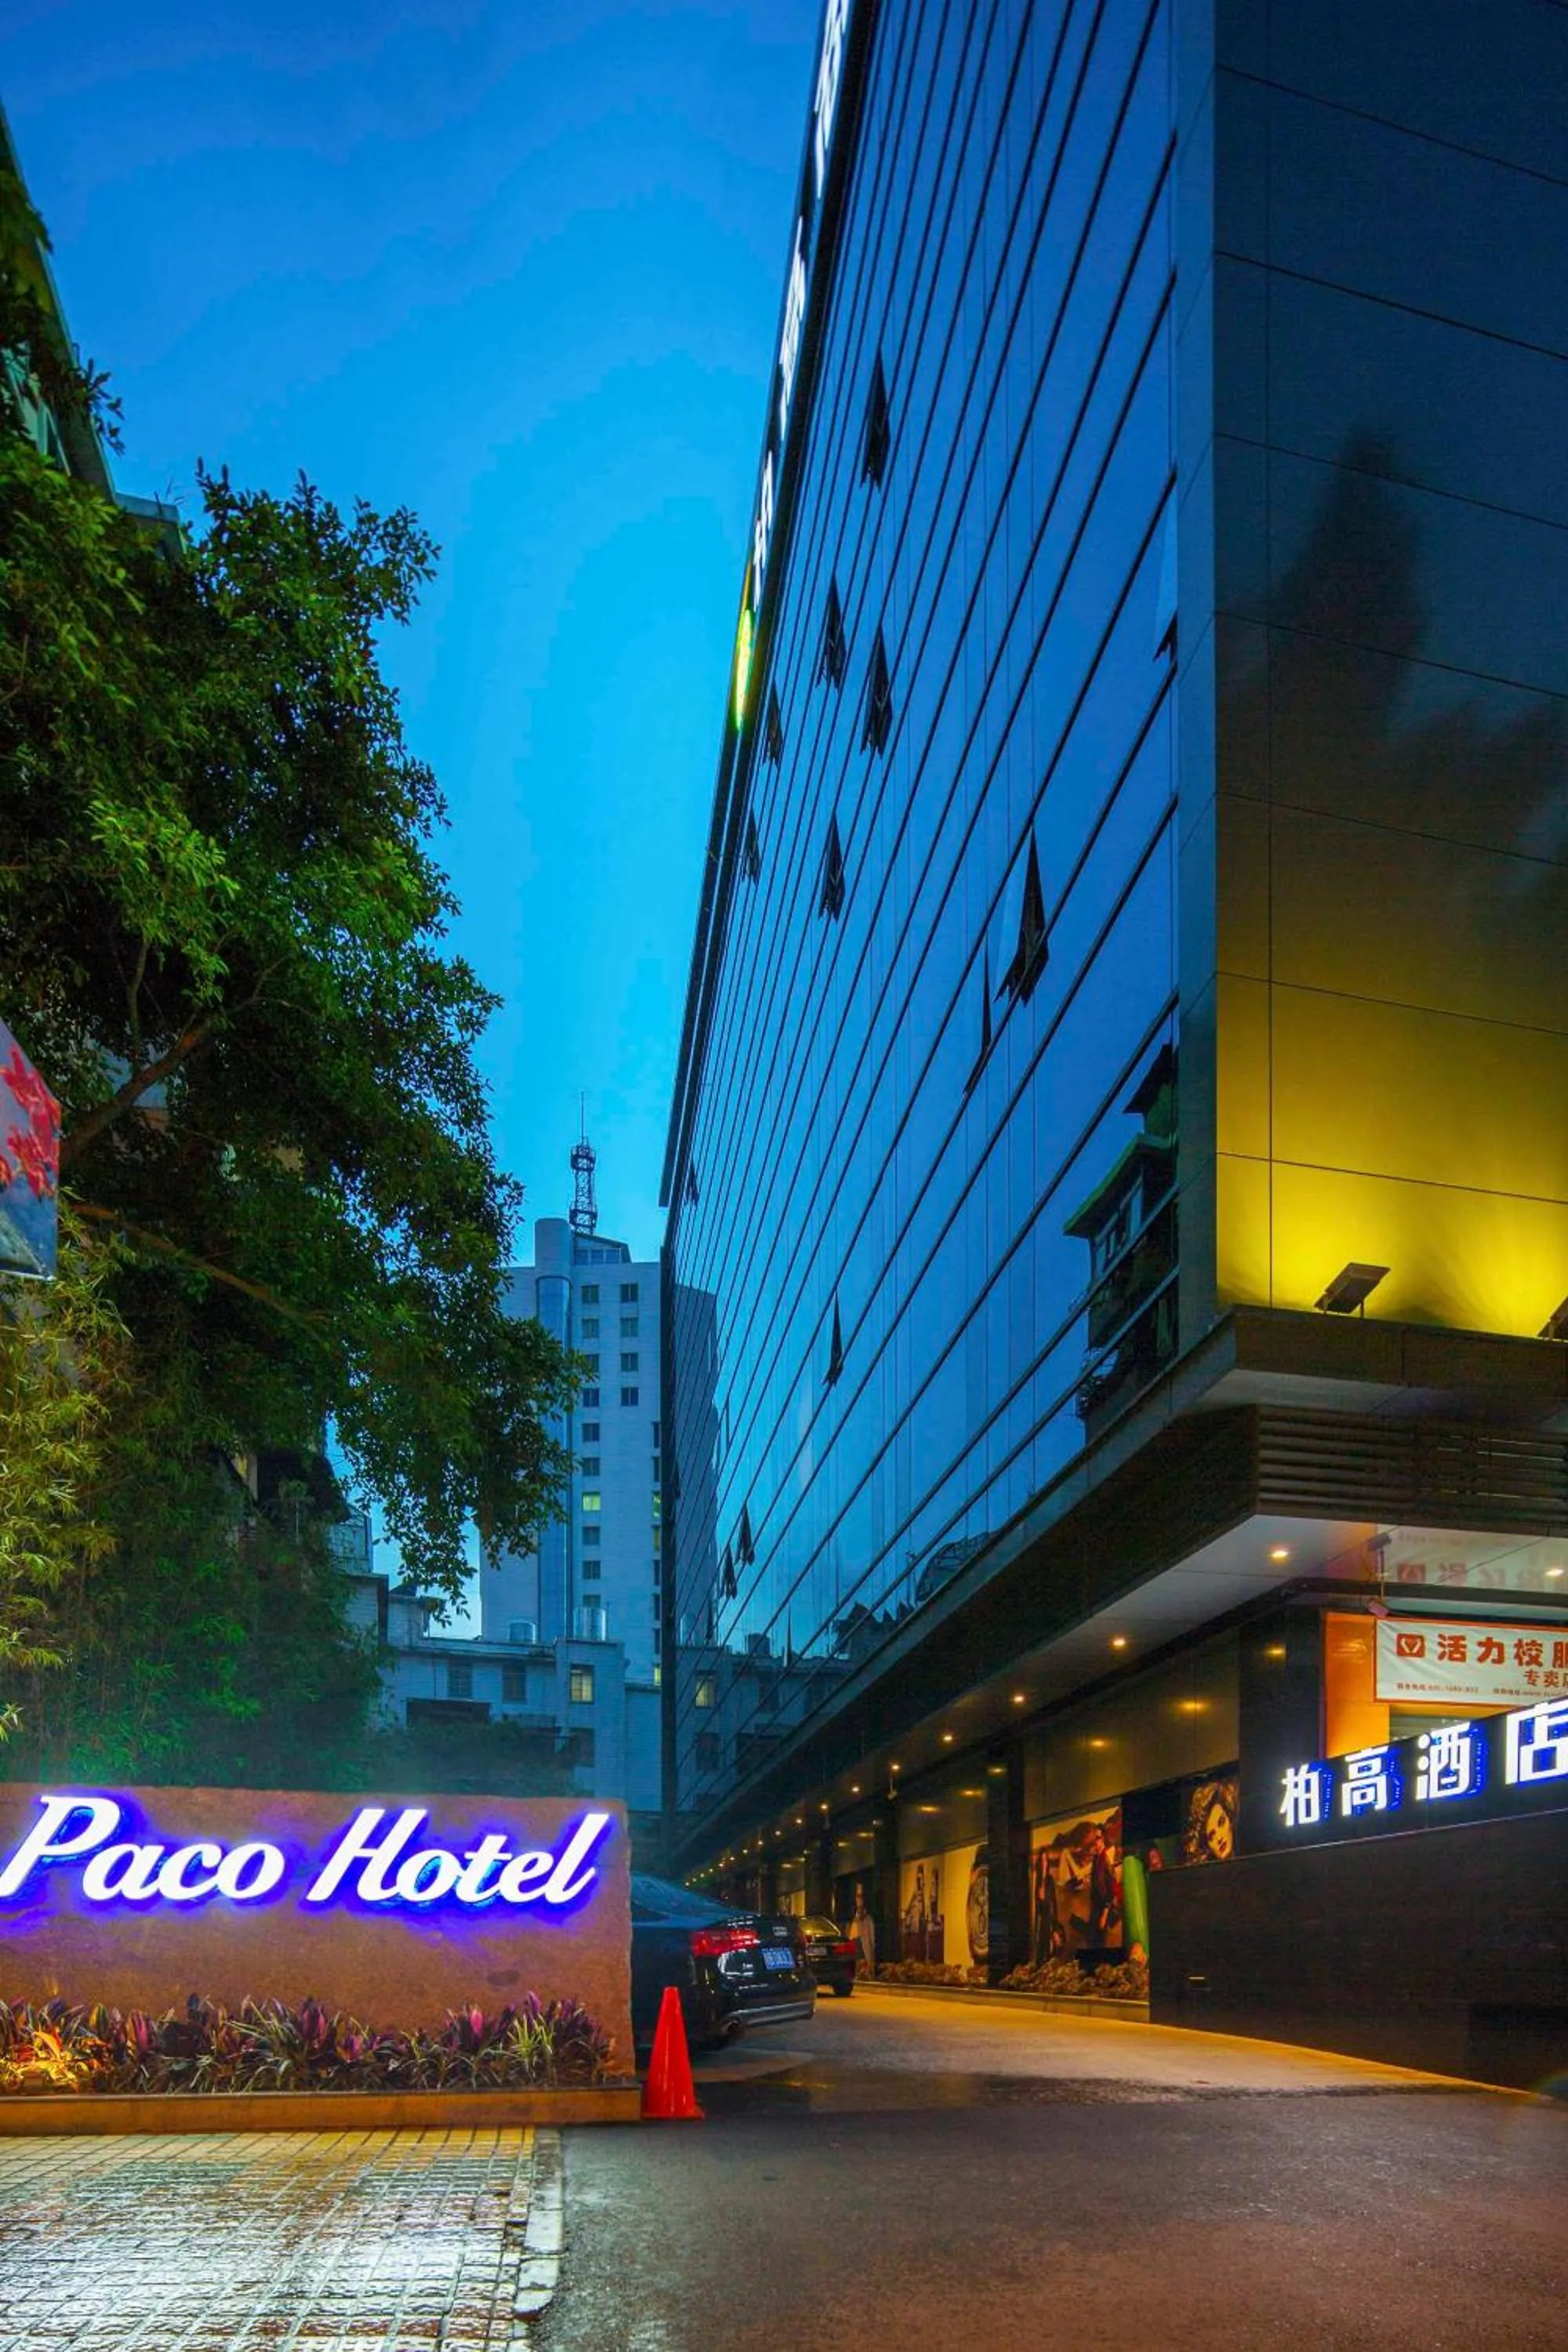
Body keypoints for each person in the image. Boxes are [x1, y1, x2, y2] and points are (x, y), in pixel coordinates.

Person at [850, 1881, 876, 1976]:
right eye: (858, 1896)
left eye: (862, 1896)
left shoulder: (868, 1920)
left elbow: (871, 1944)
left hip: (865, 1965)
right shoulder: (853, 1920)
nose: (860, 1900)